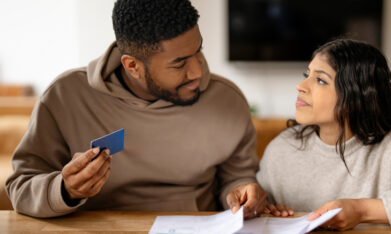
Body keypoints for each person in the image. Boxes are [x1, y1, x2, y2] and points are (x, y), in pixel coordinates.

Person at [6, 0, 266, 218]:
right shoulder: (65, 97)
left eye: (198, 51)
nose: (198, 71)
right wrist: (64, 190)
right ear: (132, 66)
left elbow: (237, 178)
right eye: (179, 64)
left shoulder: (227, 99)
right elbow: (21, 187)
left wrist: (242, 190)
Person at [256, 39, 391, 230]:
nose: (301, 86)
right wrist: (266, 211)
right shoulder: (282, 148)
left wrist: (363, 210)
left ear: (356, 95)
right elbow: (256, 218)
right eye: (307, 74)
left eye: (321, 80)